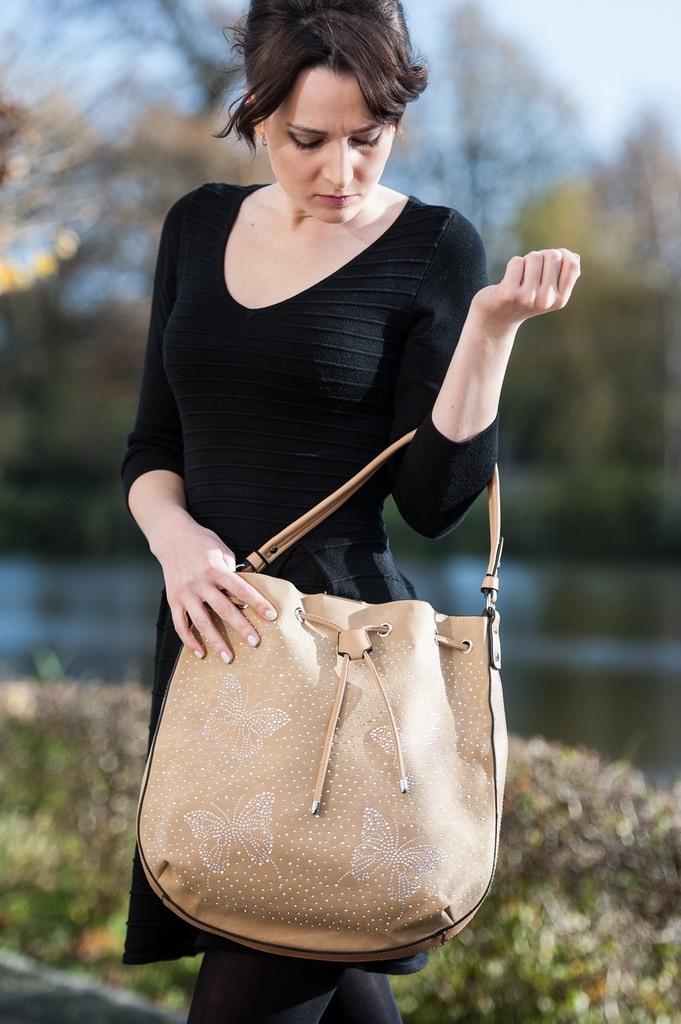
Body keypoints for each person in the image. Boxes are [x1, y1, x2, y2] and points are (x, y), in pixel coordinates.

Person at [121, 0, 580, 1020]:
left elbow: (435, 503)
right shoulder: (195, 227)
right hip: (209, 647)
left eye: (367, 141)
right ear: (255, 115)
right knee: (326, 960)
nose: (340, 172)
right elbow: (153, 446)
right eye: (307, 141)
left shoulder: (433, 246)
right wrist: (178, 542)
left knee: (264, 959)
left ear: (396, 124)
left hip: (339, 672)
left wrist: (491, 329)